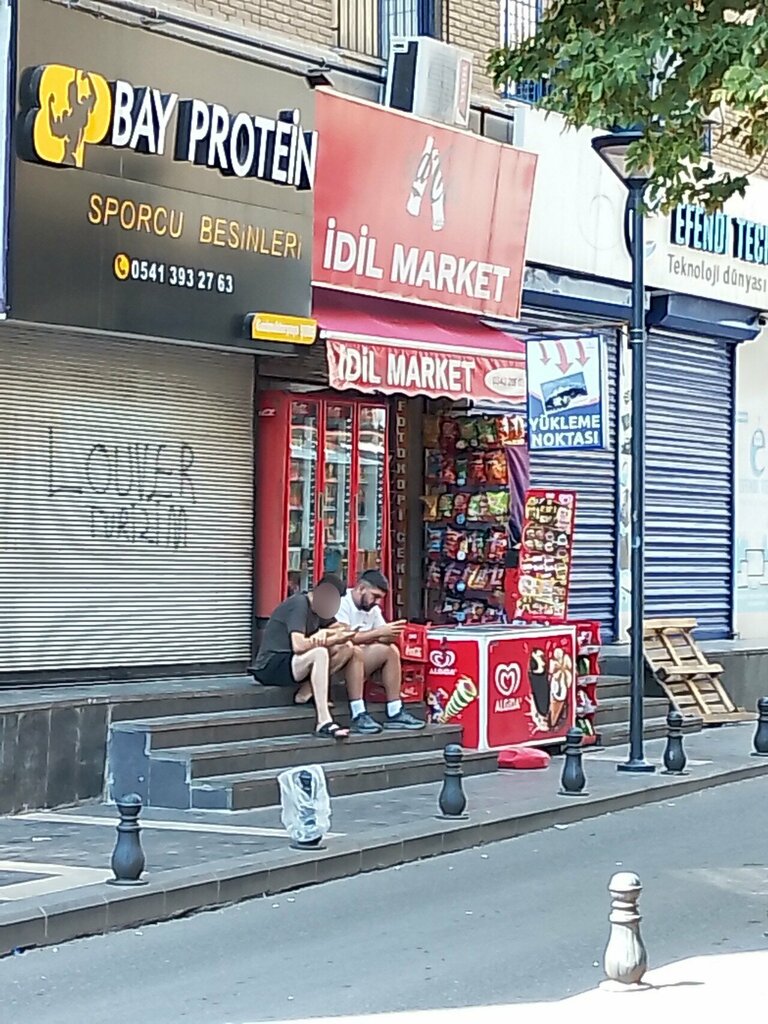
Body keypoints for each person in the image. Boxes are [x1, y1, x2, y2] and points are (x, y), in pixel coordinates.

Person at [252, 574, 359, 740]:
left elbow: (342, 628)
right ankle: (323, 721)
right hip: (273, 663)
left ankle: (306, 692)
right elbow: (299, 645)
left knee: (346, 648)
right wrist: (327, 639)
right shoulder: (299, 604)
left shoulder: (321, 609)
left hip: (294, 663)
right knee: (320, 652)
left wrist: (325, 633)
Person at [335, 569, 426, 734]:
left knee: (391, 651)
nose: (377, 602)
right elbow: (342, 637)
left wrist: (392, 633)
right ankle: (358, 712)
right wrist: (378, 634)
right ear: (361, 588)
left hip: (361, 661)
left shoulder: (373, 609)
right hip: (338, 662)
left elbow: (382, 635)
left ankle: (395, 709)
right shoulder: (341, 603)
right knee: (354, 651)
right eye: (374, 596)